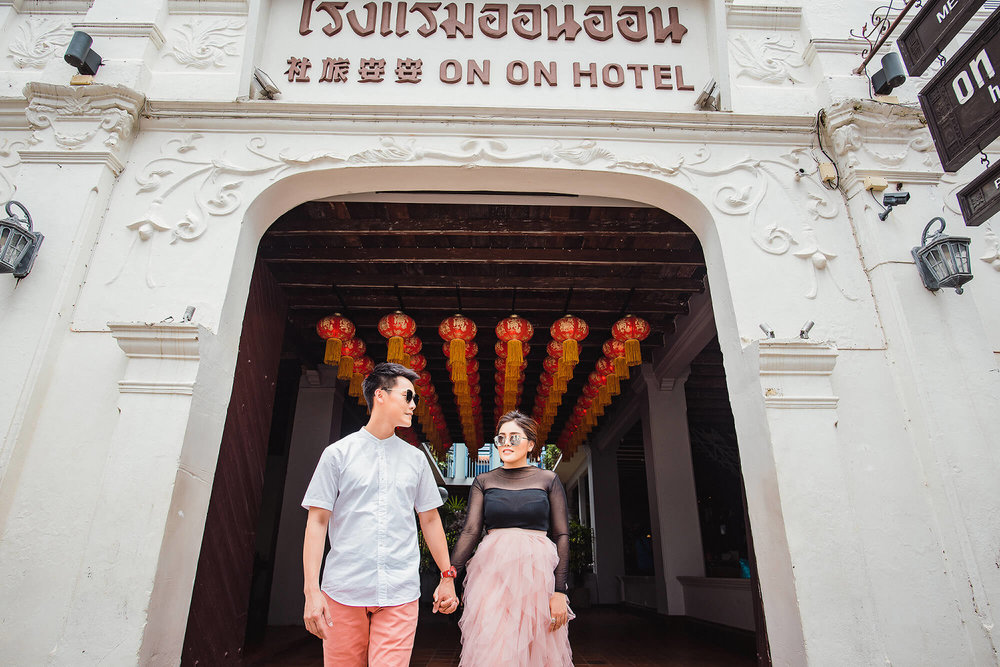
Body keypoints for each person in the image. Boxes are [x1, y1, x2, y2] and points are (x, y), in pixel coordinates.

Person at [301, 362, 460, 667]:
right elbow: (317, 521)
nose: (414, 405)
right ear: (380, 396)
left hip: (400, 591)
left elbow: (429, 519)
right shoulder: (337, 454)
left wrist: (447, 576)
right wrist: (311, 592)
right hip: (343, 589)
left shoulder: (415, 460)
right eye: (407, 396)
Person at [450, 411, 573, 666]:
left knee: (537, 645)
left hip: (537, 576)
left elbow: (561, 534)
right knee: (494, 644)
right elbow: (471, 531)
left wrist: (559, 591)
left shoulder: (548, 479)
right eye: (501, 438)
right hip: (492, 575)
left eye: (514, 438)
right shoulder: (484, 480)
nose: (506, 443)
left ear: (530, 444)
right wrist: (448, 577)